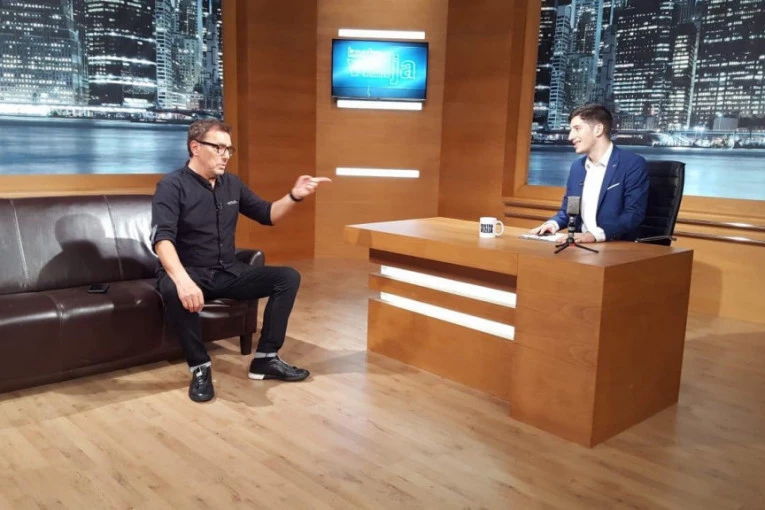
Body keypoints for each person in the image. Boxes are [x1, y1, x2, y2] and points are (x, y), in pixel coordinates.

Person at [151, 119, 330, 403]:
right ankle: (200, 367)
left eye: (229, 149)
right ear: (195, 147)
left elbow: (267, 214)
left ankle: (266, 358)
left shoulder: (232, 184)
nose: (225, 155)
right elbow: (162, 239)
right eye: (219, 148)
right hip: (189, 272)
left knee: (288, 277)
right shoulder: (172, 185)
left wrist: (294, 196)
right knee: (173, 288)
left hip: (226, 271)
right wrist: (184, 281)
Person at [529, 104, 649, 243]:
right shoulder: (577, 167)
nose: (570, 136)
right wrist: (552, 224)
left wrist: (594, 235)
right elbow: (570, 209)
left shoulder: (632, 164)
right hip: (579, 246)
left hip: (615, 246)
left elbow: (633, 214)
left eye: (577, 129)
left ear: (598, 129)